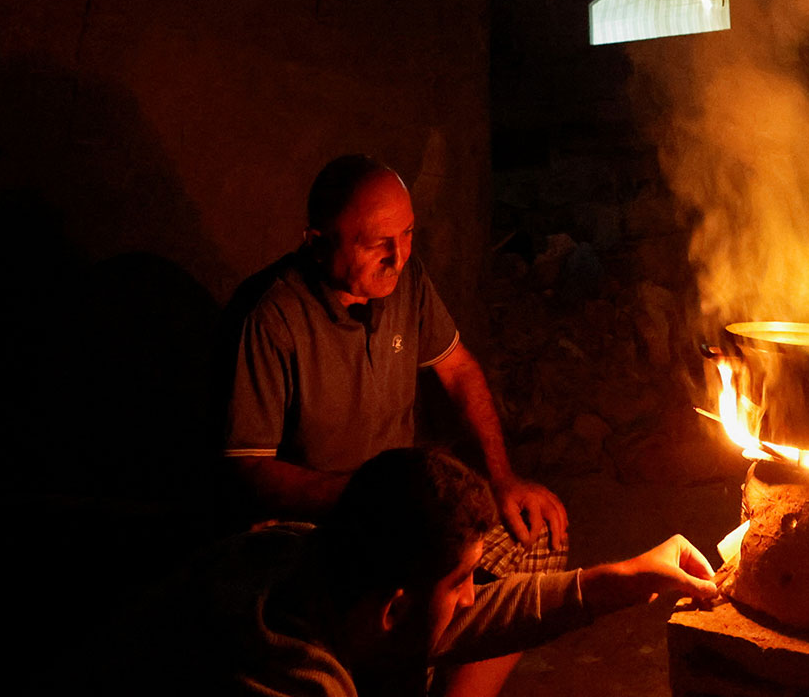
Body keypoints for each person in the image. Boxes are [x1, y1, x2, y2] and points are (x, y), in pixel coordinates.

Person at [223, 155, 569, 695]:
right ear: (316, 241)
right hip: (321, 528)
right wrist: (369, 498)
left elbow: (459, 373)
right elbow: (248, 472)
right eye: (376, 243)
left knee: (536, 536)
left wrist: (501, 478)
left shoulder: (407, 284)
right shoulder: (270, 318)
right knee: (415, 590)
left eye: (407, 234)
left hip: (408, 512)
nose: (398, 256)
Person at [91, 448, 717, 697]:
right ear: (392, 609)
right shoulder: (287, 679)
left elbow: (487, 614)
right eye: (462, 583)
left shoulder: (304, 553)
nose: (476, 599)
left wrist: (629, 577)